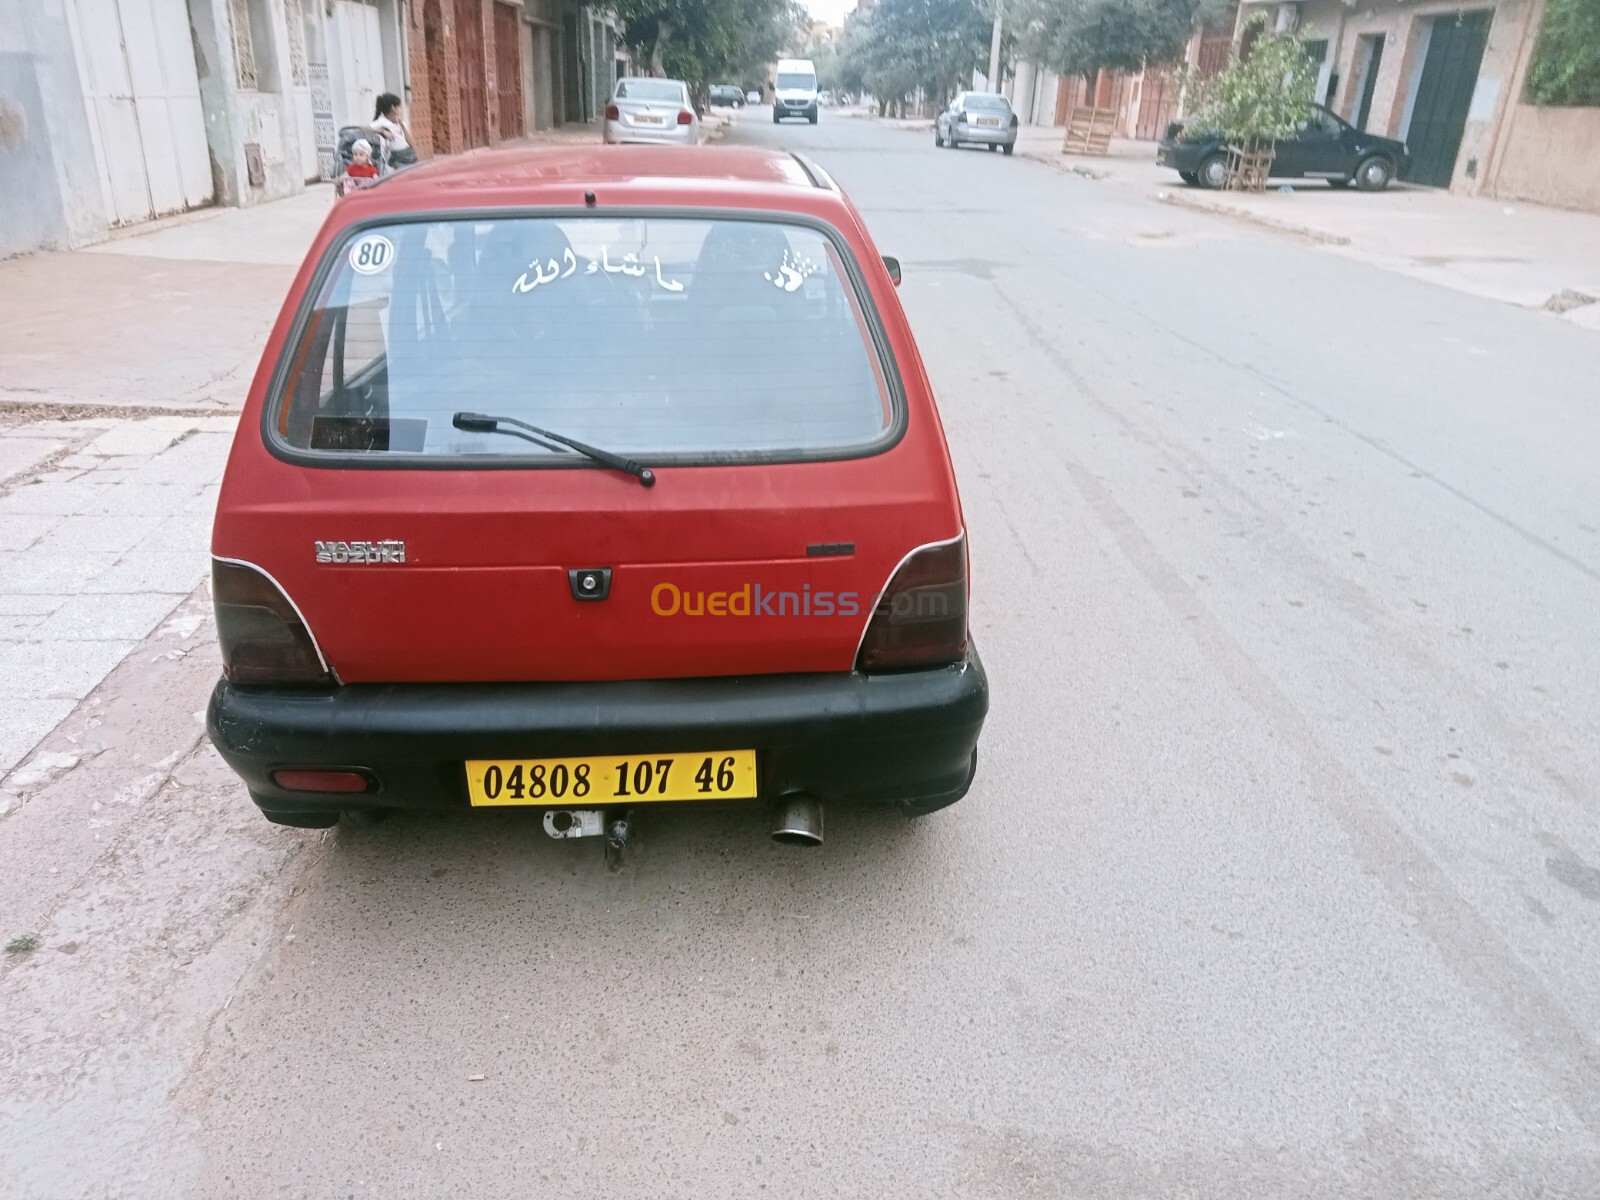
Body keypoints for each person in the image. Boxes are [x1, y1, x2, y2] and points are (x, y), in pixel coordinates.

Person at [370, 93, 418, 167]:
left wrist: (402, 126)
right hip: (398, 156)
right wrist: (383, 131)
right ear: (393, 108)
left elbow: (412, 143)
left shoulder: (400, 122)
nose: (400, 109)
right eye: (399, 106)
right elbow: (363, 128)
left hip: (410, 152)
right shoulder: (382, 121)